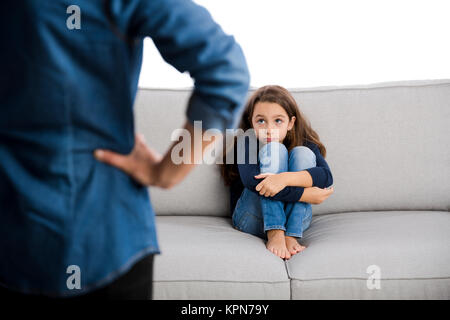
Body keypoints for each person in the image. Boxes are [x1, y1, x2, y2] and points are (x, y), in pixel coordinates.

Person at [0, 0, 249, 299]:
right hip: (109, 236)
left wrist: (168, 170)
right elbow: (225, 69)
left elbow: (223, 70)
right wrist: (167, 173)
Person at [219, 85, 334, 260]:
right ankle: (275, 232)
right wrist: (305, 194)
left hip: (295, 221)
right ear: (252, 122)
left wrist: (284, 178)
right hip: (252, 217)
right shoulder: (247, 141)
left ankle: (291, 235)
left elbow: (326, 177)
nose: (269, 128)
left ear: (291, 123)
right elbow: (254, 182)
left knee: (302, 153)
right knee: (275, 150)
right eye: (261, 121)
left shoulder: (303, 141)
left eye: (277, 120)